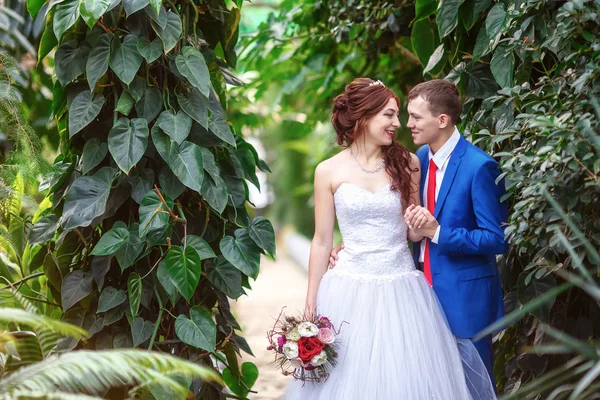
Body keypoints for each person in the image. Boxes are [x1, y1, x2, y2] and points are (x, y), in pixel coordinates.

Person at [284, 78, 495, 400]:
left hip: (403, 290)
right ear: (364, 117)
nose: (398, 124)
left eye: (400, 115)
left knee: (407, 378)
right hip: (347, 289)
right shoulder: (327, 171)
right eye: (390, 115)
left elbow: (411, 230)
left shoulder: (408, 163)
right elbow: (322, 241)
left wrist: (425, 224)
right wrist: (310, 305)